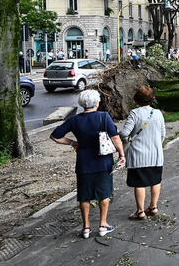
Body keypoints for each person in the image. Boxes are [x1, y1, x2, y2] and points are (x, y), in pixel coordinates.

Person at [50, 90, 125, 238]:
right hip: (103, 161)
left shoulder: (74, 120)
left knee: (84, 196)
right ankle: (103, 225)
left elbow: (54, 136)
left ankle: (86, 227)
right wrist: (121, 154)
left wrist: (72, 142)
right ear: (97, 103)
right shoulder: (104, 117)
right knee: (104, 193)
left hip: (84, 162)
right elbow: (115, 138)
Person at [119, 86, 166, 220]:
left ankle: (140, 212)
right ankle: (153, 206)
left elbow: (125, 133)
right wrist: (156, 144)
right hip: (156, 155)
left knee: (139, 183)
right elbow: (163, 134)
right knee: (155, 181)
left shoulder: (135, 113)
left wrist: (120, 137)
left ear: (136, 99)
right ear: (152, 98)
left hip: (138, 156)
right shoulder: (158, 113)